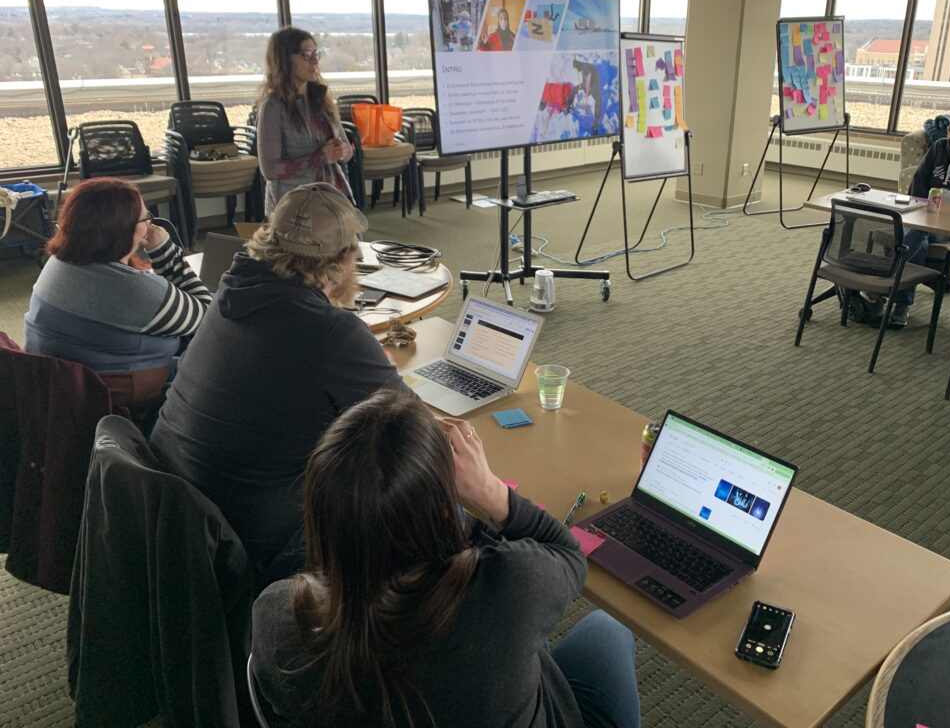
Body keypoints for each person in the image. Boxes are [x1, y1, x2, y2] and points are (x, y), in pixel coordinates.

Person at [251, 389, 641, 728]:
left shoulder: (273, 614)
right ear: (441, 512)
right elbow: (568, 557)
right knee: (609, 627)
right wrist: (489, 492)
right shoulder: (505, 591)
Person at [150, 183, 404, 586]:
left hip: (180, 513)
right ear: (344, 260)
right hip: (257, 541)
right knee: (402, 498)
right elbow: (410, 429)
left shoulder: (230, 294)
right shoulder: (333, 333)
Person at [24, 177, 210, 414]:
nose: (150, 224)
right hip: (118, 398)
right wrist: (164, 251)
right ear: (122, 231)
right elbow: (207, 320)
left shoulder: (59, 263)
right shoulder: (135, 290)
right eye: (145, 218)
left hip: (62, 387)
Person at [861, 108, 950, 329]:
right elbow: (917, 185)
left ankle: (886, 279)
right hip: (922, 215)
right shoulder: (939, 149)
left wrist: (942, 213)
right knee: (920, 239)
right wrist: (927, 208)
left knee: (917, 233)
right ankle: (902, 305)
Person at [257, 26, 355, 215]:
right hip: (295, 210)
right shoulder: (273, 106)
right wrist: (320, 158)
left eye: (316, 53)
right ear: (285, 60)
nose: (315, 60)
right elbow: (269, 169)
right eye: (306, 54)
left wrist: (343, 151)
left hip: (332, 200)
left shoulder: (320, 97)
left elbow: (348, 151)